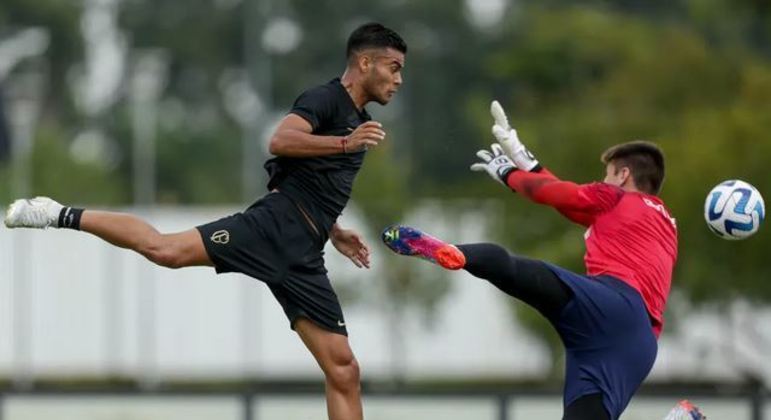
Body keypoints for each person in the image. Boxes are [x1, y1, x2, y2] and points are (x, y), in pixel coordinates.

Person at [4, 22, 407, 420]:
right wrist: (343, 143)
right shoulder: (326, 99)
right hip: (273, 228)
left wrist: (333, 230)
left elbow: (295, 173)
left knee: (344, 370)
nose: (398, 79)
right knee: (164, 250)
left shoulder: (359, 119)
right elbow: (280, 140)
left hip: (305, 251)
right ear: (365, 62)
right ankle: (56, 213)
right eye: (393, 67)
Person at [382, 101, 677, 420]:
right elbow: (570, 202)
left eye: (606, 175)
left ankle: (457, 254)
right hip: (639, 345)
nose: (602, 182)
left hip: (611, 306)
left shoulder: (615, 197)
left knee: (514, 270)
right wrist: (524, 157)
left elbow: (555, 195)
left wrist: (509, 173)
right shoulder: (665, 224)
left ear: (623, 174)